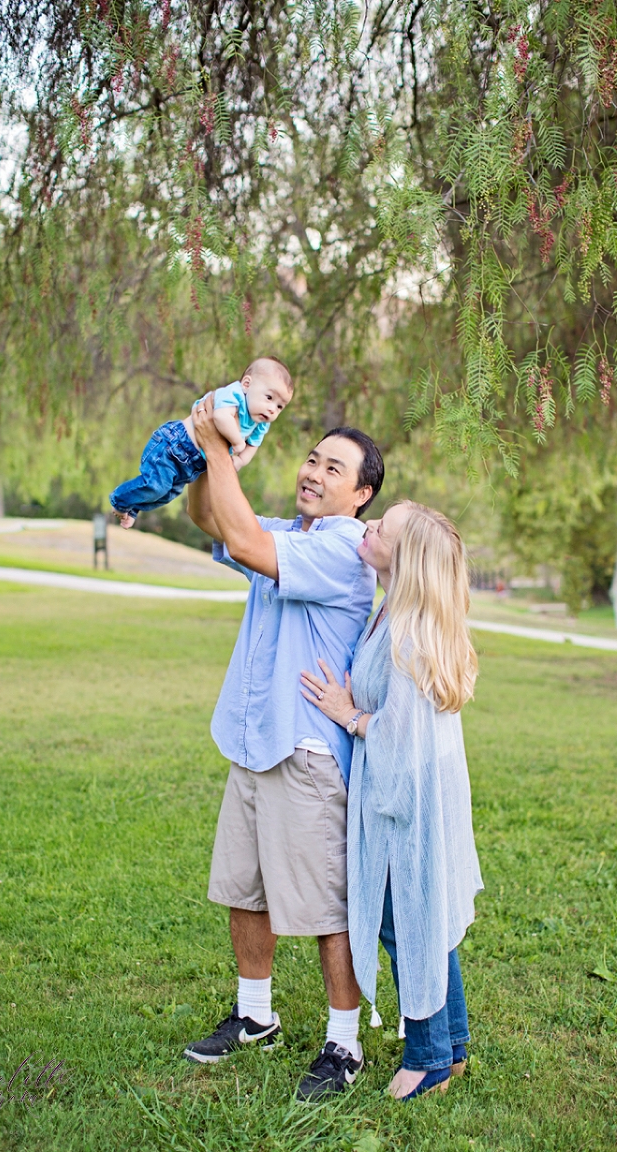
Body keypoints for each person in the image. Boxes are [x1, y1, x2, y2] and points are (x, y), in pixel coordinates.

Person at [181, 392, 385, 1101]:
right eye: (311, 458)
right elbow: (210, 519)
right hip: (254, 740)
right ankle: (255, 1015)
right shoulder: (291, 534)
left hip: (308, 755)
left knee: (325, 907)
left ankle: (344, 1044)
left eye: (335, 469)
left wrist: (214, 443)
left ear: (360, 496)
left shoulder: (342, 549)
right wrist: (219, 457)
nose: (314, 473)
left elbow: (242, 542)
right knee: (246, 889)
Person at [300, 501, 483, 1101]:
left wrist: (347, 714)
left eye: (383, 529)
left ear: (402, 559)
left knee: (402, 917)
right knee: (423, 911)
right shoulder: (397, 613)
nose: (370, 527)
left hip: (408, 798)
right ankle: (451, 1042)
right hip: (419, 790)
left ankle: (428, 1056)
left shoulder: (406, 633)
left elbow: (400, 735)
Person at [109, 356, 293, 528]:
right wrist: (238, 442)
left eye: (279, 407)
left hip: (192, 466)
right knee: (157, 486)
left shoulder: (260, 424)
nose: (272, 409)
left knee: (166, 494)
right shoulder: (234, 394)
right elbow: (221, 417)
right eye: (269, 398)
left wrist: (241, 460)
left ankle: (133, 506)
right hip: (175, 445)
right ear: (246, 384)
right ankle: (119, 499)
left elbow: (254, 445)